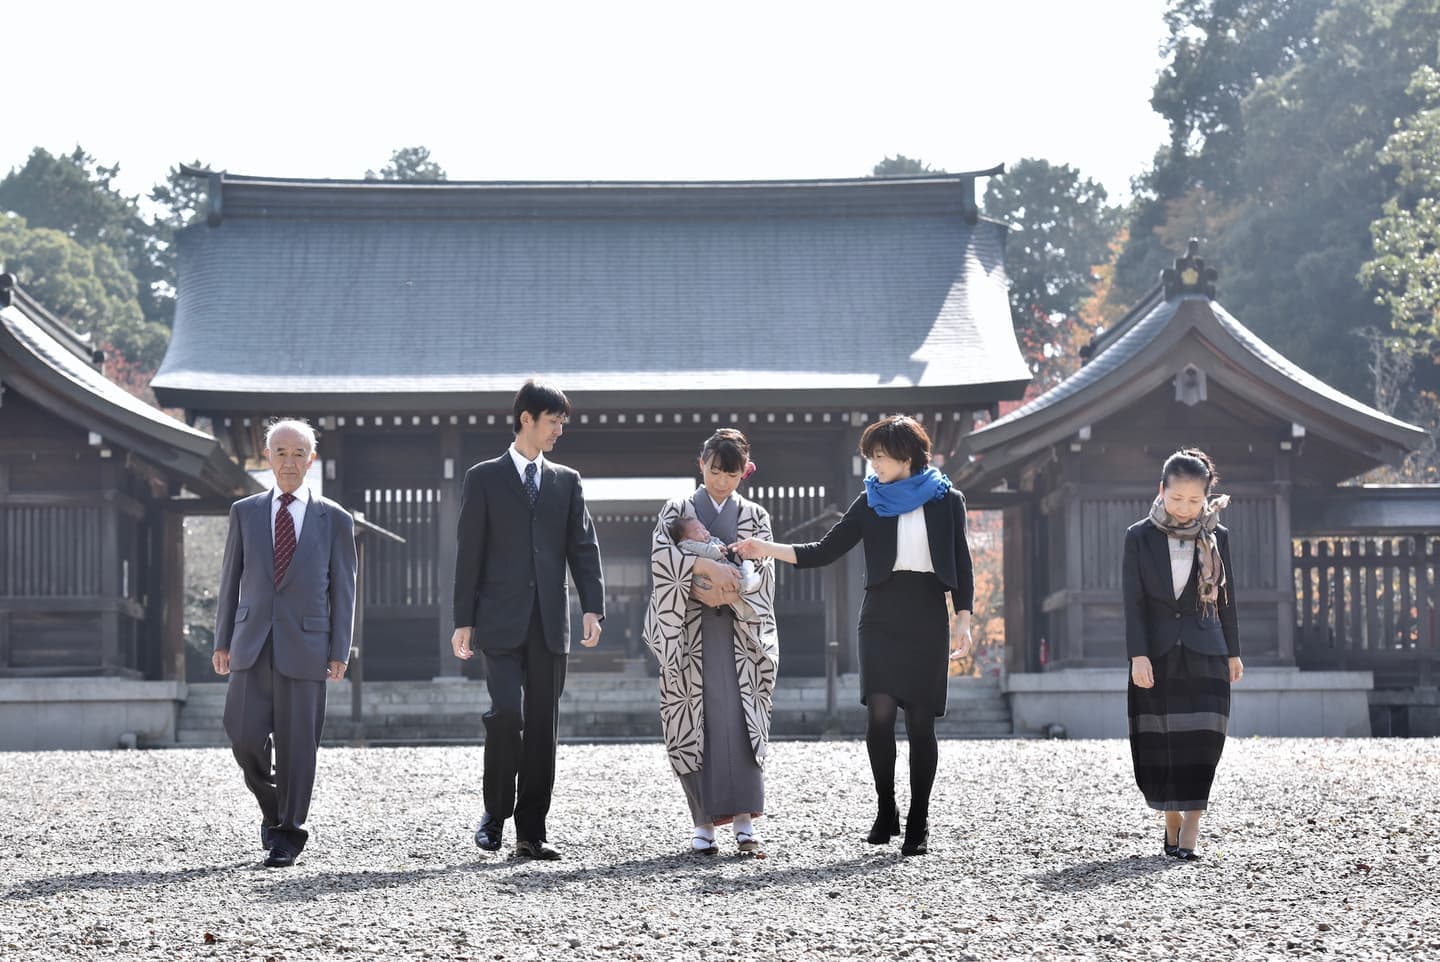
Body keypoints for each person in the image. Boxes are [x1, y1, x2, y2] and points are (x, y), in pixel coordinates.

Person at [733, 415, 972, 857]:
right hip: (880, 613)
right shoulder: (871, 502)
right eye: (871, 457)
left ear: (906, 455)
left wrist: (964, 617)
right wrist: (765, 548)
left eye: (881, 456)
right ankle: (887, 809)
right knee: (879, 716)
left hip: (926, 614)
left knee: (921, 723)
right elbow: (823, 550)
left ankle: (919, 819)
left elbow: (961, 559)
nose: (874, 465)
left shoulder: (947, 500)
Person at [451, 379, 605, 860]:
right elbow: (468, 554)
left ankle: (531, 831)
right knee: (506, 715)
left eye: (562, 423)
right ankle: (494, 814)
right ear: (527, 419)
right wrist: (463, 619)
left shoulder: (567, 480)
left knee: (542, 725)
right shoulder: (484, 477)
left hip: (550, 622)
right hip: (498, 620)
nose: (559, 431)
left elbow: (583, 547)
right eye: (554, 421)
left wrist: (593, 606)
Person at [213, 419, 357, 868]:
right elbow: (229, 579)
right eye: (281, 452)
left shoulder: (333, 518)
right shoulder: (245, 511)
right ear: (268, 458)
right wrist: (222, 640)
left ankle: (288, 835)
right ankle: (274, 807)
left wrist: (339, 649)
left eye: (298, 453)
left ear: (311, 459)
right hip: (250, 640)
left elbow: (344, 590)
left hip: (308, 644)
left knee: (299, 747)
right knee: (243, 735)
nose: (289, 461)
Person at [643, 428, 778, 855]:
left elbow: (766, 572)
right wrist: (705, 578)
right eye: (715, 471)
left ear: (744, 473)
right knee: (693, 724)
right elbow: (661, 560)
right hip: (689, 630)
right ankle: (703, 823)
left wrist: (731, 584)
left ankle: (745, 824)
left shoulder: (755, 515)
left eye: (731, 474)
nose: (721, 481)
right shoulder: (677, 509)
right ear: (701, 464)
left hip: (740, 633)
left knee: (742, 722)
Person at [1124, 448, 1243, 862]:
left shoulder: (1218, 537)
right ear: (1162, 491)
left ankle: (1191, 819)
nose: (1185, 509)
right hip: (1156, 654)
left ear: (1207, 499)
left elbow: (1227, 600)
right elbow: (1133, 603)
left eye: (1194, 501)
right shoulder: (1138, 536)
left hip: (1206, 648)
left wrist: (1234, 652)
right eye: (1177, 499)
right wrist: (1137, 656)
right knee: (1161, 742)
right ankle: (1170, 812)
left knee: (1204, 740)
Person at [668, 513, 762, 619]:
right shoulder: (686, 545)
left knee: (734, 574)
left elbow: (717, 543)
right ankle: (746, 583)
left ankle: (745, 594)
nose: (704, 532)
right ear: (684, 538)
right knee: (734, 581)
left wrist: (720, 546)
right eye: (697, 531)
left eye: (704, 528)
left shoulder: (708, 540)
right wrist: (716, 550)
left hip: (723, 567)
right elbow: (704, 551)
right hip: (706, 579)